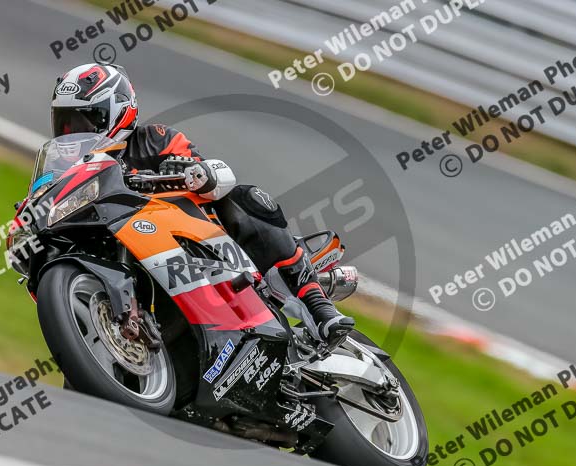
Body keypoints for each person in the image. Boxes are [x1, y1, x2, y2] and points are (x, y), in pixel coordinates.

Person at [50, 63, 353, 344]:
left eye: (83, 121)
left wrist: (185, 172)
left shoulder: (154, 140)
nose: (73, 133)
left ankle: (318, 308)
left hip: (196, 243)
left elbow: (215, 179)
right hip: (134, 251)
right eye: (65, 123)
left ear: (116, 112)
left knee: (246, 199)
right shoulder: (67, 173)